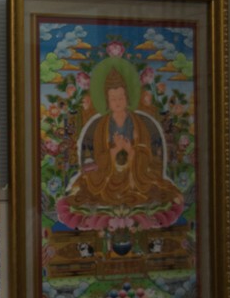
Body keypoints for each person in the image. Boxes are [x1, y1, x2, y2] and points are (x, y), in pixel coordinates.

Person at [57, 64, 185, 230]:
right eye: (113, 99)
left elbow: (147, 154)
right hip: (108, 174)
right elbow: (97, 157)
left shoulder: (139, 123)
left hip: (135, 174)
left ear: (127, 98)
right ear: (107, 101)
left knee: (153, 184)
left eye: (121, 97)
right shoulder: (101, 125)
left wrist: (131, 151)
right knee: (87, 181)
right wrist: (114, 151)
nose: (117, 102)